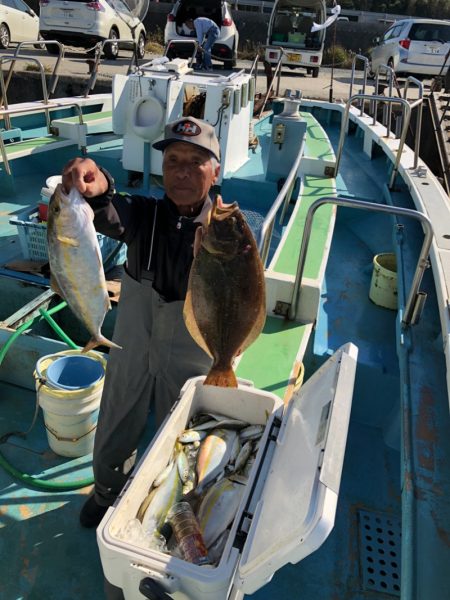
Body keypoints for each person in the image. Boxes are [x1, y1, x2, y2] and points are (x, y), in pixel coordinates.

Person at [61, 116, 221, 530]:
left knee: (185, 432)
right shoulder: (143, 215)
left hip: (192, 348)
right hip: (135, 339)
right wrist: (95, 183)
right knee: (117, 415)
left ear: (215, 170)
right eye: (172, 161)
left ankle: (176, 509)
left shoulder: (228, 230)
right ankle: (106, 492)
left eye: (195, 161)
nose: (182, 171)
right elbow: (109, 210)